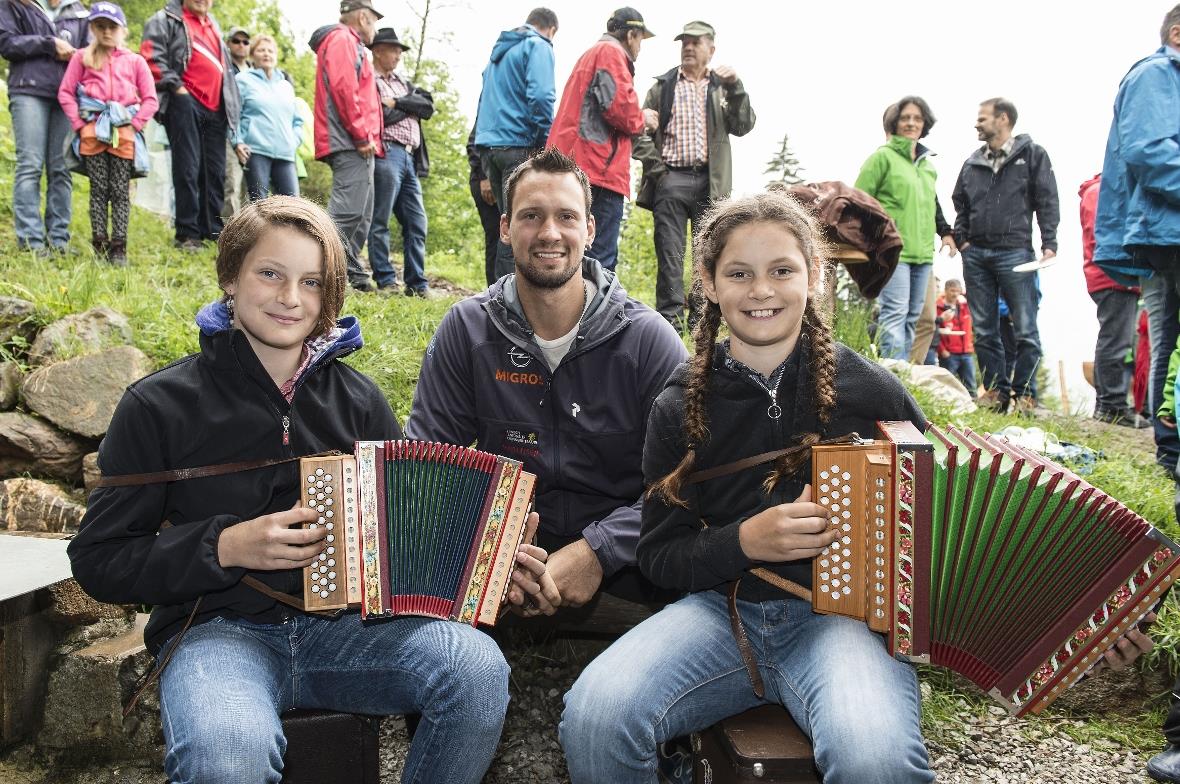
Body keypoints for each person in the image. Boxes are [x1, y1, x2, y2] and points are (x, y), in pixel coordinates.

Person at [67, 195, 553, 784]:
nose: (290, 297)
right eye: (270, 273)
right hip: (217, 635)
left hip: (352, 633)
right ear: (230, 276)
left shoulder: (361, 400)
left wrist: (491, 555)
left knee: (473, 671)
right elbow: (99, 561)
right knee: (225, 757)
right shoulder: (157, 405)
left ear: (330, 298)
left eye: (312, 282)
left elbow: (406, 547)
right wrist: (223, 547)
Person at [560, 190, 934, 782]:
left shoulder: (873, 393)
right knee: (595, 717)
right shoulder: (677, 406)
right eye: (740, 273)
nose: (762, 290)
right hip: (718, 615)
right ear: (710, 283)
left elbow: (937, 519)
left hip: (843, 624)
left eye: (782, 270)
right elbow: (657, 557)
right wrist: (745, 542)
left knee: (875, 758)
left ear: (813, 277)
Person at [406, 149, 688, 611]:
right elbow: (426, 465)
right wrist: (494, 547)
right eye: (531, 216)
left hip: (625, 557)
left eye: (566, 217)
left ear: (590, 230)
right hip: (504, 550)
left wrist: (600, 549)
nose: (549, 233)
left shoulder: (647, 339)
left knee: (686, 573)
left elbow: (690, 477)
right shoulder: (467, 329)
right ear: (505, 228)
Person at [1095, 5, 1180, 474]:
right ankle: (1171, 452)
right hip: (1168, 229)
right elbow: (1149, 150)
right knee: (1168, 337)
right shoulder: (1156, 74)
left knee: (1170, 335)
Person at [632, 20, 756, 326]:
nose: (688, 47)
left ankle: (702, 324)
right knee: (670, 254)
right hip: (670, 179)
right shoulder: (663, 86)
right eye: (684, 42)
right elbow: (637, 130)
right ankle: (669, 324)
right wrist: (657, 169)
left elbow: (743, 126)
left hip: (711, 185)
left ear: (710, 49)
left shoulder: (722, 87)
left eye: (695, 42)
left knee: (709, 255)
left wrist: (736, 87)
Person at [951, 97, 1059, 415]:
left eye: (982, 118)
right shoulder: (972, 163)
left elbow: (1047, 198)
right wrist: (962, 239)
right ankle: (996, 392)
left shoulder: (1033, 155)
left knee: (1025, 327)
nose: (977, 123)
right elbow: (961, 202)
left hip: (1016, 251)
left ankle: (1026, 394)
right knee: (984, 329)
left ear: (1003, 119)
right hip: (976, 255)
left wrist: (1049, 241)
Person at [546, 7, 652, 272]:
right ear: (631, 34)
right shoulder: (611, 53)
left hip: (574, 164)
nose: (640, 47)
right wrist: (644, 119)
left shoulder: (591, 54)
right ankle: (595, 314)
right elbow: (619, 107)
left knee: (570, 249)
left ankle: (565, 311)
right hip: (597, 170)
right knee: (599, 256)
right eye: (640, 39)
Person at [57, 1, 158, 266]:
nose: (106, 32)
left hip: (123, 135)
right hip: (93, 134)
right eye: (100, 26)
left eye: (112, 26)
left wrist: (135, 124)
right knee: (99, 190)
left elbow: (150, 99)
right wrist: (79, 125)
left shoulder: (135, 61)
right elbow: (66, 92)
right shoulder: (82, 57)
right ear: (92, 28)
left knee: (120, 191)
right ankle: (99, 244)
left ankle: (119, 247)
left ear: (122, 30)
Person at [855, 96, 956, 360]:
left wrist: (945, 233)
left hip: (923, 252)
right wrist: (873, 239)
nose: (911, 123)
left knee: (913, 316)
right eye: (905, 118)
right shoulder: (882, 158)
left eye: (917, 118)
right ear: (895, 123)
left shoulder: (927, 166)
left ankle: (905, 376)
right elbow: (859, 201)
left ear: (925, 124)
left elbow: (931, 204)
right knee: (895, 313)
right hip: (892, 250)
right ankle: (891, 375)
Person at [141, 0, 245, 250]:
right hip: (184, 101)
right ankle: (187, 233)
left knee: (215, 172)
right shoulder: (166, 19)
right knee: (187, 167)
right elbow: (150, 57)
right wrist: (178, 89)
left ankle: (211, 230)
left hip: (216, 108)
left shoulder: (214, 26)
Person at [474, 8, 558, 283]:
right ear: (551, 29)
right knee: (518, 227)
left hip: (490, 149)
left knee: (508, 222)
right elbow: (542, 97)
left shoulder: (498, 56)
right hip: (519, 145)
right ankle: (508, 304)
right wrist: (544, 142)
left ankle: (499, 296)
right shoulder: (538, 45)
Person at [0, 0, 89, 254]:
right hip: (28, 90)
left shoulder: (79, 10)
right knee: (30, 165)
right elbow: (6, 44)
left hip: (66, 96)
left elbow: (88, 53)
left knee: (62, 168)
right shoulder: (13, 4)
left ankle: (59, 240)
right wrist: (49, 44)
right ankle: (31, 241)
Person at [309, 0, 384, 292]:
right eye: (374, 21)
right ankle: (314, 269)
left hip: (358, 141)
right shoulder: (342, 39)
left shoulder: (350, 44)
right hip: (350, 139)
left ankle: (348, 275)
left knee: (362, 213)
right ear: (363, 17)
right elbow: (344, 88)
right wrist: (361, 134)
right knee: (347, 212)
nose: (375, 28)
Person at [367, 26, 434, 296]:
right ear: (378, 51)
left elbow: (426, 107)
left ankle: (417, 283)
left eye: (399, 51)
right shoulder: (370, 80)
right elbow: (378, 116)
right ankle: (385, 280)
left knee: (417, 223)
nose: (397, 55)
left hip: (410, 158)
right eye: (393, 50)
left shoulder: (403, 84)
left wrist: (397, 102)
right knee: (380, 219)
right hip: (387, 152)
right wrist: (407, 108)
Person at [1081, 174, 1145, 428]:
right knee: (1115, 340)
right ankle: (1111, 405)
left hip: (1116, 276)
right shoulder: (1099, 192)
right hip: (1112, 276)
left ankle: (1110, 403)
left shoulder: (1103, 191)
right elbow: (1102, 236)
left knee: (1116, 338)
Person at [235, 34, 301, 200]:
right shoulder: (242, 80)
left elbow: (297, 120)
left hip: (285, 153)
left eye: (270, 51)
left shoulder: (286, 86)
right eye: (261, 50)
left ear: (276, 55)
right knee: (259, 205)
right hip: (255, 151)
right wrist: (237, 141)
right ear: (252, 55)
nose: (266, 54)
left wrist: (294, 141)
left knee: (292, 205)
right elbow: (233, 114)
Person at [220, 24, 250, 219]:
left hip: (252, 138)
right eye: (236, 41)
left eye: (245, 41)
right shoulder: (223, 69)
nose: (241, 45)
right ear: (228, 44)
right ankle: (229, 230)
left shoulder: (255, 72)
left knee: (249, 188)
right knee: (231, 183)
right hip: (228, 133)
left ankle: (249, 232)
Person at [468, 123, 502, 286]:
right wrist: (485, 176)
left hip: (506, 178)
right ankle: (495, 292)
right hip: (485, 181)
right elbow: (474, 144)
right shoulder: (491, 108)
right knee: (496, 237)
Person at [936, 278, 976, 397]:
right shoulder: (938, 307)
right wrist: (942, 350)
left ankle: (974, 407)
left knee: (971, 385)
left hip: (966, 352)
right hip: (949, 353)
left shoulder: (965, 306)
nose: (954, 294)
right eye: (952, 290)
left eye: (957, 291)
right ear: (946, 290)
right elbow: (933, 330)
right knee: (946, 384)